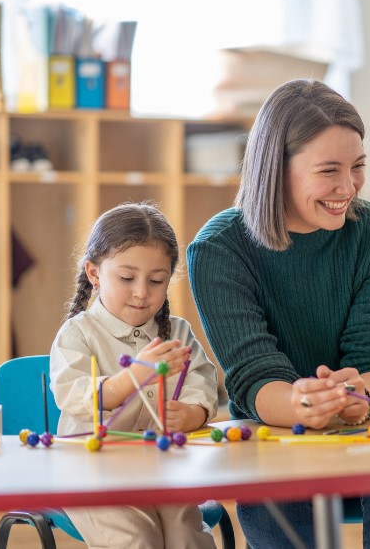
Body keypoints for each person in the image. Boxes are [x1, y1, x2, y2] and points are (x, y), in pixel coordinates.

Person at [186, 78, 370, 549]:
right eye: (329, 170)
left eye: (358, 166)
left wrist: (361, 398)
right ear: (275, 169)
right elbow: (253, 372)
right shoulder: (218, 249)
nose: (348, 187)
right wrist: (303, 406)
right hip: (275, 413)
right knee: (276, 499)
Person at [50, 202, 219, 549]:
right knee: (137, 538)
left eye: (157, 280)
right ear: (95, 274)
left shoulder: (177, 333)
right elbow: (74, 394)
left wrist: (192, 413)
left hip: (160, 467)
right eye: (127, 278)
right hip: (88, 473)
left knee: (186, 535)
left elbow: (202, 383)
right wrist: (134, 375)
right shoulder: (77, 334)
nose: (142, 292)